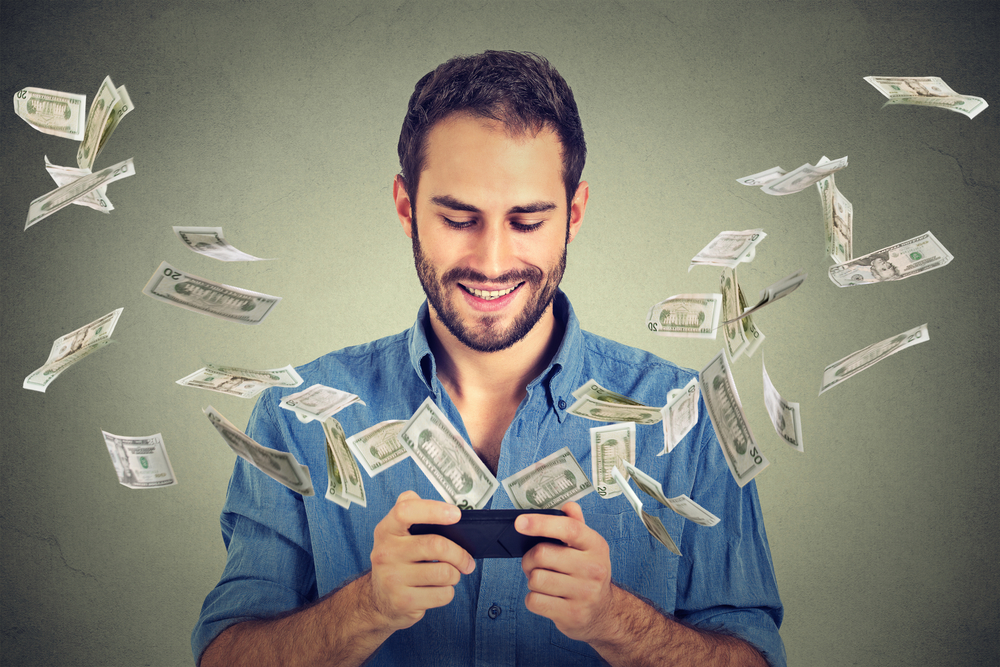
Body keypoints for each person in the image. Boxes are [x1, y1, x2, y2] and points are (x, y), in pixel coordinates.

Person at [193, 50, 785, 666]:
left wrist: (612, 619)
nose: (493, 260)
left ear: (574, 215)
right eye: (458, 218)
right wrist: (367, 607)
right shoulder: (296, 419)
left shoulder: (687, 423)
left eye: (527, 221)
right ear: (406, 209)